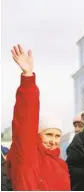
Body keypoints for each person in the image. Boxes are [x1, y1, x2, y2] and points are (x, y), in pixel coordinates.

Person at [6, 44, 70, 191]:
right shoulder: (28, 154)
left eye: (57, 136)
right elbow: (26, 119)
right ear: (37, 134)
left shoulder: (62, 165)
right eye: (48, 134)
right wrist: (28, 77)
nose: (53, 140)